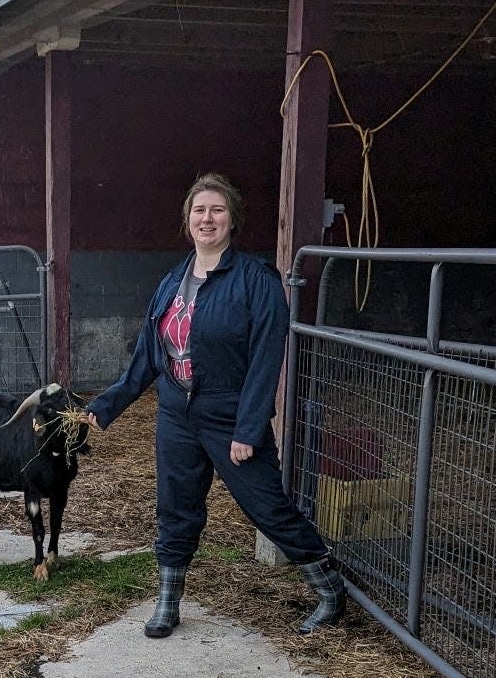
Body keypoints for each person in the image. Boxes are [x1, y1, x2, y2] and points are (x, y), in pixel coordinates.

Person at [84, 172, 345, 640]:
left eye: (217, 210)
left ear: (232, 220)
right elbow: (149, 354)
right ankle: (168, 601)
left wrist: (248, 428)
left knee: (266, 506)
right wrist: (107, 406)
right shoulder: (170, 282)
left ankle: (329, 590)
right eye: (199, 210)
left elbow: (268, 360)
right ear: (187, 221)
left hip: (229, 415)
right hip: (176, 415)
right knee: (176, 507)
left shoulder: (256, 282)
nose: (207, 218)